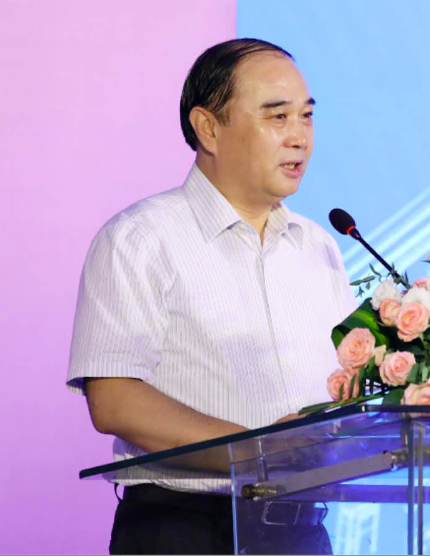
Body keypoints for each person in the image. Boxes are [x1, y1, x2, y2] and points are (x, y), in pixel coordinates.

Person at [66, 38, 358, 554]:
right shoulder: (140, 238)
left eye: (307, 117)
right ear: (208, 128)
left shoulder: (319, 246)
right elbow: (113, 401)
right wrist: (258, 452)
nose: (299, 137)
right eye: (278, 116)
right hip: (186, 530)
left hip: (302, 530)